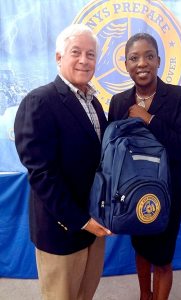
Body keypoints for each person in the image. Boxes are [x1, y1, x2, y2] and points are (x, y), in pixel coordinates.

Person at [14, 23, 111, 300]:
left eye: (90, 54)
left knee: (84, 295)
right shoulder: (40, 101)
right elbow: (42, 174)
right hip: (63, 229)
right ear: (59, 57)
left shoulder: (94, 103)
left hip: (94, 225)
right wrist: (81, 220)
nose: (84, 60)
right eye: (76, 52)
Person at [108, 33, 181, 300]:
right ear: (126, 65)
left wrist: (148, 118)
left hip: (170, 189)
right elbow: (112, 151)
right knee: (142, 247)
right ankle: (144, 296)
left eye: (148, 56)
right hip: (133, 191)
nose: (142, 63)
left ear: (158, 60)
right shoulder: (119, 102)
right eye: (134, 58)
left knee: (163, 254)